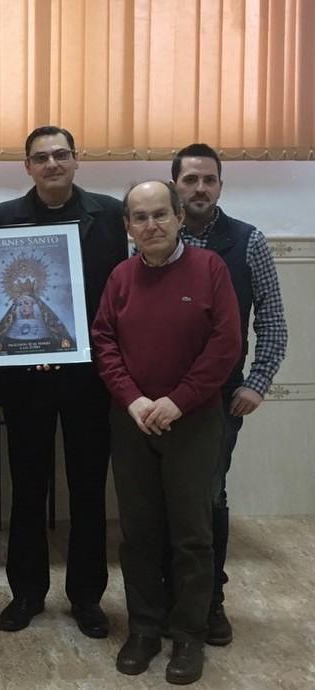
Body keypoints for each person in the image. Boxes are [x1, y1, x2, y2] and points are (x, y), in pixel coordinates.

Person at [0, 125, 128, 637]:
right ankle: (26, 595)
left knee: (88, 490)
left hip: (91, 378)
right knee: (28, 488)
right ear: (27, 166)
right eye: (40, 157)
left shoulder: (110, 214)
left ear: (76, 159)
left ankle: (87, 597)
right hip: (26, 382)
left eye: (60, 155)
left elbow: (120, 295)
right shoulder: (0, 219)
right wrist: (27, 350)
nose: (51, 164)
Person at [92, 180, 241, 685]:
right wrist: (133, 399)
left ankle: (188, 636)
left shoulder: (210, 269)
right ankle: (144, 629)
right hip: (132, 421)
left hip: (194, 421)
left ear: (179, 217)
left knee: (192, 535)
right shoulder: (120, 276)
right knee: (139, 533)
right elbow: (103, 341)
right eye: (139, 217)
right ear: (128, 226)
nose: (150, 225)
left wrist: (176, 401)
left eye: (160, 214)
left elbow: (225, 345)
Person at [171, 143, 288, 645]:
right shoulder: (150, 236)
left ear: (221, 185)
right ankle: (166, 594)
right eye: (190, 179)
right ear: (175, 183)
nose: (199, 188)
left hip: (219, 400)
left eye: (208, 180)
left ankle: (209, 601)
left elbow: (275, 324)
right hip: (157, 400)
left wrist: (256, 383)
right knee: (162, 499)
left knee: (208, 498)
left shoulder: (249, 241)